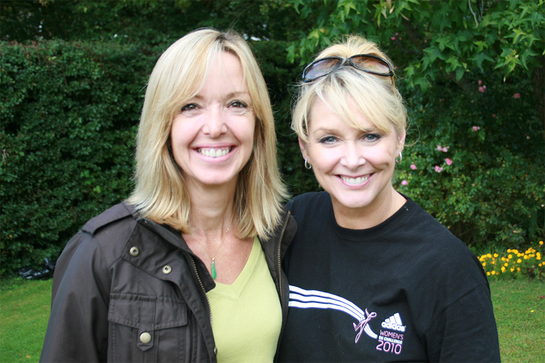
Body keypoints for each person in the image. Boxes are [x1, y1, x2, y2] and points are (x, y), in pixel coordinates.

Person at [41, 28, 296, 363]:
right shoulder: (103, 253)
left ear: (258, 123)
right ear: (164, 125)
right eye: (191, 106)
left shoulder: (280, 236)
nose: (216, 126)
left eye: (236, 103)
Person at [277, 35, 500, 362]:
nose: (352, 159)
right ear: (304, 147)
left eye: (370, 135)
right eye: (330, 139)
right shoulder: (291, 226)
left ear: (399, 136)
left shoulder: (448, 270)